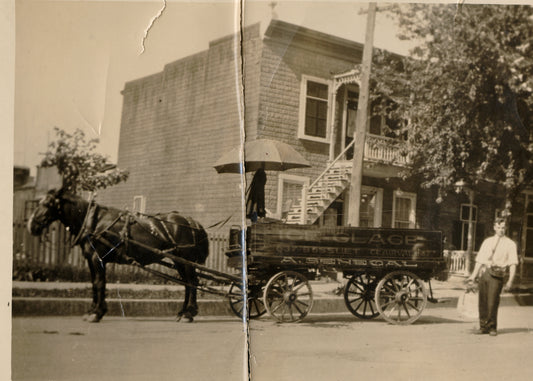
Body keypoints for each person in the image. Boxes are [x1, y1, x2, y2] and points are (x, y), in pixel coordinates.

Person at [466, 217, 519, 336]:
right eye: (498, 227)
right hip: (485, 273)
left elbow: (513, 264)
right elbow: (480, 260)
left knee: (492, 302)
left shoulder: (510, 244)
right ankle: (483, 326)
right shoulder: (487, 242)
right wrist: (473, 276)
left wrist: (510, 281)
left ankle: (492, 327)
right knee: (483, 301)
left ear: (506, 228)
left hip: (497, 275)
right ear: (494, 228)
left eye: (503, 227)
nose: (501, 230)